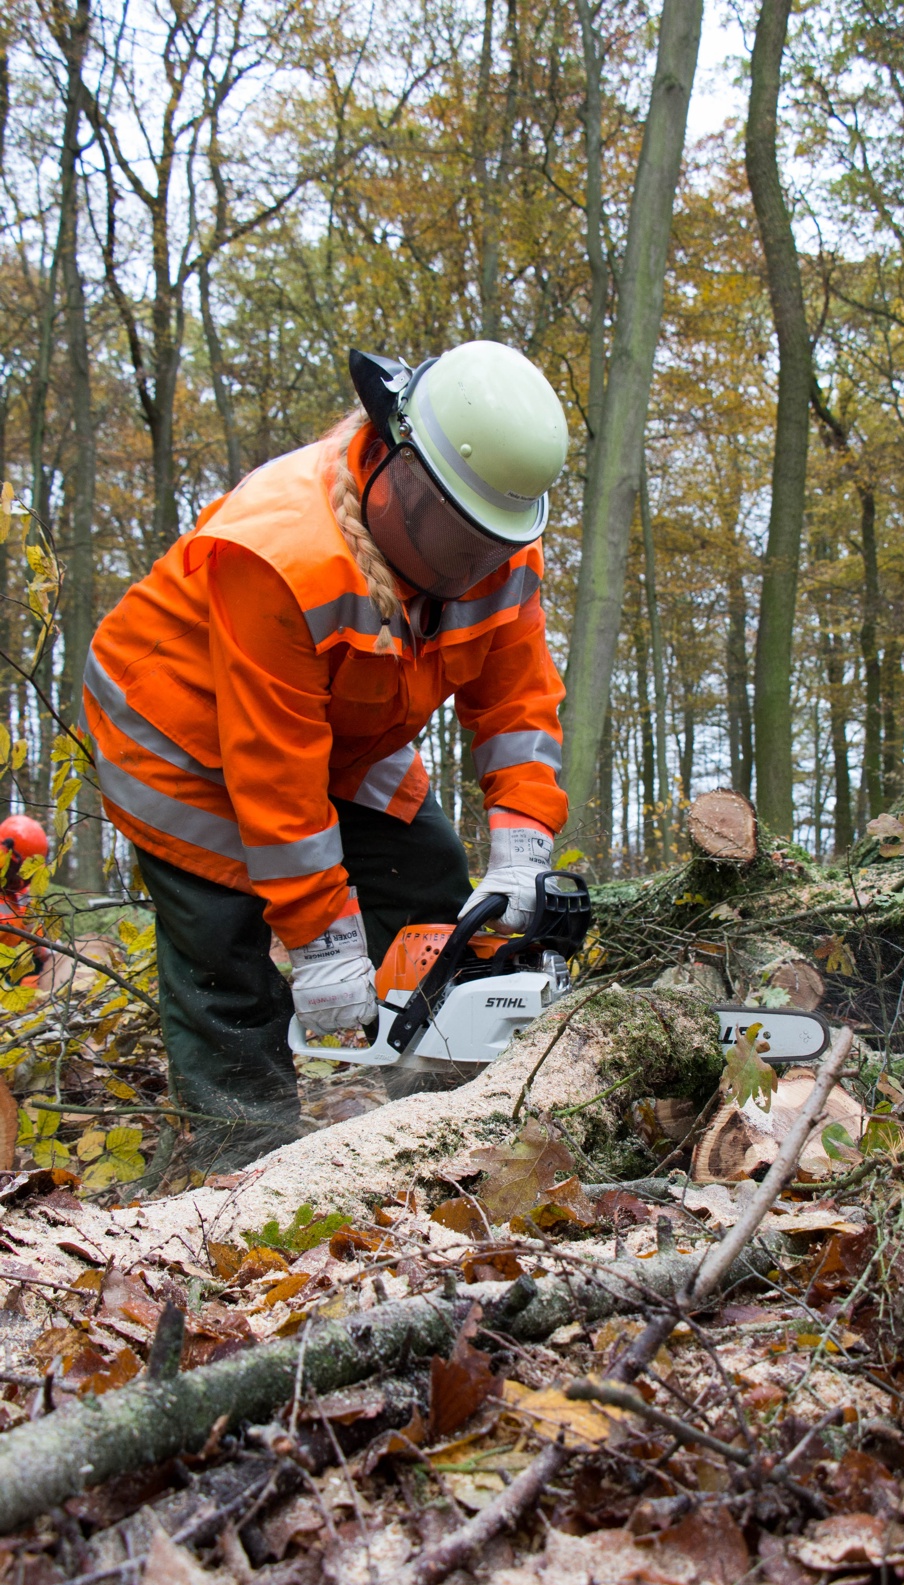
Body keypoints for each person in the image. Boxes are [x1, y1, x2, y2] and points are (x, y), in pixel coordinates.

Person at [83, 340, 570, 1171]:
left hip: (340, 725)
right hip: (180, 738)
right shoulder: (281, 553)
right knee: (225, 948)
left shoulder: (503, 553)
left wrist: (524, 840)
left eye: (482, 544)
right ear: (393, 458)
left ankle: (443, 1107)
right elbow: (276, 776)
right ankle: (241, 1163)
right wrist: (323, 944)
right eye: (446, 533)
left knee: (429, 878)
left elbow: (517, 702)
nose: (463, 565)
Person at [0, 814, 50, 985]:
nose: (21, 880)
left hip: (17, 965)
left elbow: (36, 932)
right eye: (20, 871)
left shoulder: (22, 894)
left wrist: (49, 951)